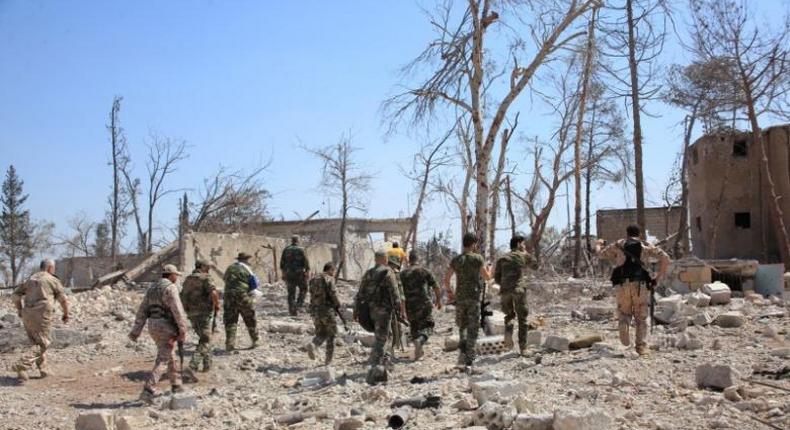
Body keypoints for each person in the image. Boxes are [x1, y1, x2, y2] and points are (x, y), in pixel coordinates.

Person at [596, 225, 670, 356]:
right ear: (639, 234)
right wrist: (657, 278)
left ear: (627, 234)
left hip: (622, 284)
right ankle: (641, 347)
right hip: (640, 285)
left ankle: (623, 326)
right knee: (641, 316)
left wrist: (598, 244)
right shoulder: (645, 245)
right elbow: (665, 258)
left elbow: (600, 254)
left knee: (624, 311)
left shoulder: (619, 244)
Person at [129, 264, 189, 402]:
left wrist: (136, 330)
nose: (177, 278)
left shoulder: (152, 288)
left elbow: (142, 310)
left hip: (153, 325)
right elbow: (177, 311)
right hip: (166, 326)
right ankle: (148, 389)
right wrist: (182, 330)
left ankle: (176, 384)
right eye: (176, 275)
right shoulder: (170, 288)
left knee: (169, 354)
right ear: (170, 275)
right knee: (163, 358)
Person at [11, 259, 69, 382]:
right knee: (43, 343)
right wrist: (66, 313)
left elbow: (15, 295)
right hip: (42, 313)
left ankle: (43, 370)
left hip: (27, 313)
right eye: (53, 268)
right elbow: (63, 299)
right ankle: (22, 365)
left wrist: (20, 309)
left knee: (35, 342)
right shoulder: (52, 279)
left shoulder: (30, 279)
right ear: (49, 268)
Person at [354, 251, 405, 383]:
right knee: (381, 339)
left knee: (385, 335)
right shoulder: (388, 272)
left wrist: (356, 310)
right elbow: (395, 292)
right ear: (384, 259)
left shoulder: (368, 273)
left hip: (371, 310)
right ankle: (374, 370)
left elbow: (360, 293)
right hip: (384, 311)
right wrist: (399, 309)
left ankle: (385, 363)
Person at [443, 233, 491, 371]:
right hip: (473, 298)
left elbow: (446, 279)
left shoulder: (456, 260)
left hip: (460, 298)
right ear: (473, 244)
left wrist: (450, 293)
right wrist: (489, 270)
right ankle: (469, 360)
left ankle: (462, 353)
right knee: (473, 328)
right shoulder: (477, 259)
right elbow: (487, 277)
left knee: (462, 326)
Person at [494, 235, 538, 355]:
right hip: (518, 290)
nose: (524, 246)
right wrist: (527, 253)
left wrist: (505, 285)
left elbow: (497, 278)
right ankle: (523, 348)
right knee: (522, 319)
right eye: (523, 244)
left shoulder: (502, 258)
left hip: (504, 292)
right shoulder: (522, 255)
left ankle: (508, 341)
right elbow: (535, 266)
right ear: (519, 244)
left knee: (509, 316)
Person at [180, 260, 220, 376]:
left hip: (192, 314)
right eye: (207, 267)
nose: (208, 269)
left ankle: (208, 365)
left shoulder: (188, 279)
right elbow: (213, 293)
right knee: (206, 340)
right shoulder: (205, 278)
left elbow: (182, 296)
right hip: (204, 313)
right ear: (202, 267)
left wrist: (186, 310)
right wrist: (217, 305)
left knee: (204, 337)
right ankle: (192, 366)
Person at [399, 251, 441, 361]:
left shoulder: (402, 274)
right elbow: (436, 286)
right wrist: (438, 300)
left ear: (409, 260)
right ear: (419, 259)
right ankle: (421, 341)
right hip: (423, 304)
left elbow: (398, 291)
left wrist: (400, 308)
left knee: (414, 327)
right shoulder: (424, 271)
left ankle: (418, 350)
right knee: (428, 325)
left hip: (409, 305)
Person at [304, 262, 341, 366]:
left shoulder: (313, 279)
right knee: (332, 335)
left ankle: (313, 344)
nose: (334, 274)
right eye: (333, 271)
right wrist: (338, 304)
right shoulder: (329, 279)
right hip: (327, 311)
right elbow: (333, 294)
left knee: (321, 333)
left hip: (315, 311)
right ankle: (328, 361)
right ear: (330, 270)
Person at [223, 252, 260, 351]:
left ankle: (230, 344)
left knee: (230, 320)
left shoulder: (229, 268)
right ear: (245, 260)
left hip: (228, 296)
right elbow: (254, 284)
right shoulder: (247, 268)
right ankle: (255, 340)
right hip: (242, 296)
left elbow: (225, 279)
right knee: (249, 318)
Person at [280, 235, 311, 316]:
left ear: (291, 240)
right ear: (298, 241)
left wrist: (283, 274)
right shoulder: (301, 249)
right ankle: (298, 305)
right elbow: (306, 262)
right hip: (299, 274)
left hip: (288, 274)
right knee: (304, 289)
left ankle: (292, 310)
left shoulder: (286, 250)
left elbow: (282, 263)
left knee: (291, 293)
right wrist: (307, 272)